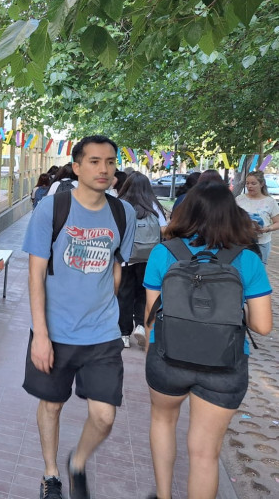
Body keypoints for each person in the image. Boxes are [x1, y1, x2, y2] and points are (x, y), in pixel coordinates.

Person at [22, 135, 136, 499]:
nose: (104, 169)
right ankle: (51, 474)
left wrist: (103, 306)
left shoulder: (124, 213)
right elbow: (35, 274)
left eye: (110, 162)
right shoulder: (52, 208)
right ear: (77, 167)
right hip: (55, 330)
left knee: (104, 416)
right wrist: (41, 334)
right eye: (95, 161)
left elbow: (117, 269)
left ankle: (78, 461)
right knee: (52, 404)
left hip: (102, 332)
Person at [143, 183, 272, 499]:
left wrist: (152, 355)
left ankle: (163, 495)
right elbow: (262, 326)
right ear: (233, 215)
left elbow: (150, 316)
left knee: (162, 422)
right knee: (204, 454)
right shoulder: (248, 260)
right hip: (224, 366)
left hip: (168, 358)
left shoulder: (164, 253)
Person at [116, 172, 167, 348]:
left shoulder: (120, 204)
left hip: (124, 258)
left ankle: (123, 334)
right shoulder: (154, 205)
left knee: (124, 294)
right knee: (143, 293)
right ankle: (139, 325)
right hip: (148, 257)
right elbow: (165, 231)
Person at [236, 170, 279, 264]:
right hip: (242, 241)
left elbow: (277, 222)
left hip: (261, 243)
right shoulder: (239, 199)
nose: (249, 186)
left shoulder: (270, 202)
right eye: (247, 183)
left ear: (261, 184)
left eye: (253, 183)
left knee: (258, 272)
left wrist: (268, 228)